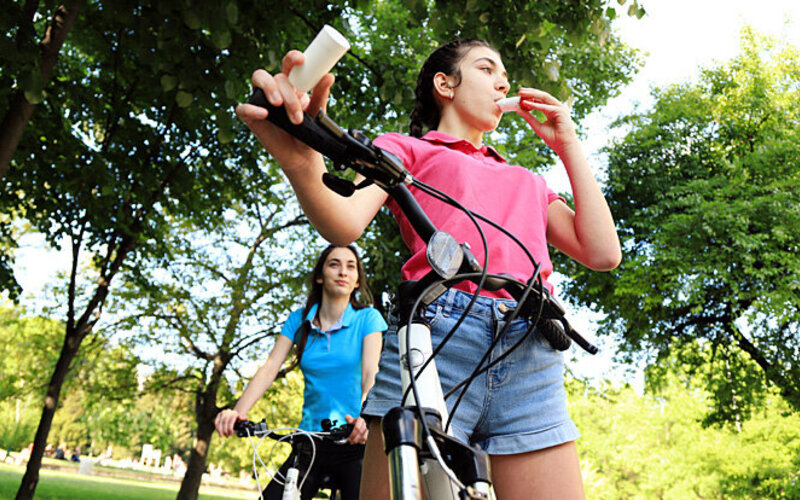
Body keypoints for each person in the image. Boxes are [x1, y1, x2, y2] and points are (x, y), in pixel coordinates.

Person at [236, 38, 621, 499]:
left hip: (530, 344)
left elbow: (602, 252)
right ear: (445, 84)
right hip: (434, 339)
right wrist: (302, 162)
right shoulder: (403, 151)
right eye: (486, 68)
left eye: (504, 74)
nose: (503, 82)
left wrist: (568, 143)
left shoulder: (529, 181)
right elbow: (344, 221)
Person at [215, 244, 387, 500]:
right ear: (320, 276)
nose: (343, 272)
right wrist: (238, 412)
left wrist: (365, 418)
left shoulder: (368, 318)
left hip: (354, 441)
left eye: (351, 266)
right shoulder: (298, 320)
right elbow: (270, 367)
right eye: (334, 264)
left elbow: (370, 373)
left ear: (357, 281)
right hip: (309, 440)